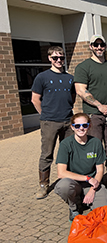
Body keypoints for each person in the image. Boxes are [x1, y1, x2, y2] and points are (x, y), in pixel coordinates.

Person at [31, 46, 75, 200]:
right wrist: (45, 115)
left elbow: (72, 97)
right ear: (49, 58)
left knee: (68, 152)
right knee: (47, 154)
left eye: (61, 58)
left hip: (68, 121)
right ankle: (44, 184)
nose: (59, 61)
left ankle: (68, 179)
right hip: (49, 122)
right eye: (55, 58)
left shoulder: (70, 78)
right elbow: (35, 99)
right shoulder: (42, 77)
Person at [74, 35, 107, 170]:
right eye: (96, 45)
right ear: (91, 47)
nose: (99, 47)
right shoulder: (83, 67)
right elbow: (81, 90)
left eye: (102, 45)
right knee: (93, 144)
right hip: (93, 114)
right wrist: (99, 106)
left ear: (105, 46)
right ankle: (94, 174)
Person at [54, 113, 107, 222]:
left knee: (104, 211)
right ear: (72, 127)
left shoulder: (96, 142)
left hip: (93, 183)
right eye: (77, 126)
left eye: (84, 125)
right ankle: (73, 207)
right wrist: (87, 178)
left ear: (89, 126)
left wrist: (92, 190)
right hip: (74, 182)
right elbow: (61, 173)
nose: (81, 128)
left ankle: (89, 200)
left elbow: (100, 170)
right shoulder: (66, 144)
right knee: (63, 185)